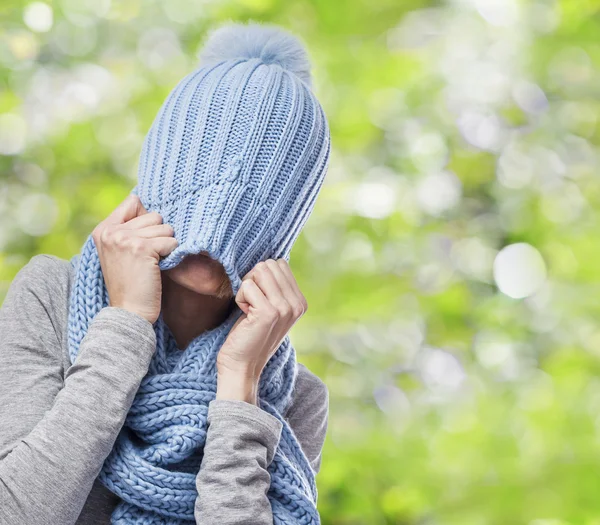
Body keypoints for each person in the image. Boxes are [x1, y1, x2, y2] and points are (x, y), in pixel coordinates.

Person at [0, 19, 331, 525]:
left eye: (256, 194)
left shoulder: (295, 395)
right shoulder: (51, 296)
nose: (218, 220)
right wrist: (126, 323)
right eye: (204, 171)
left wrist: (240, 387)